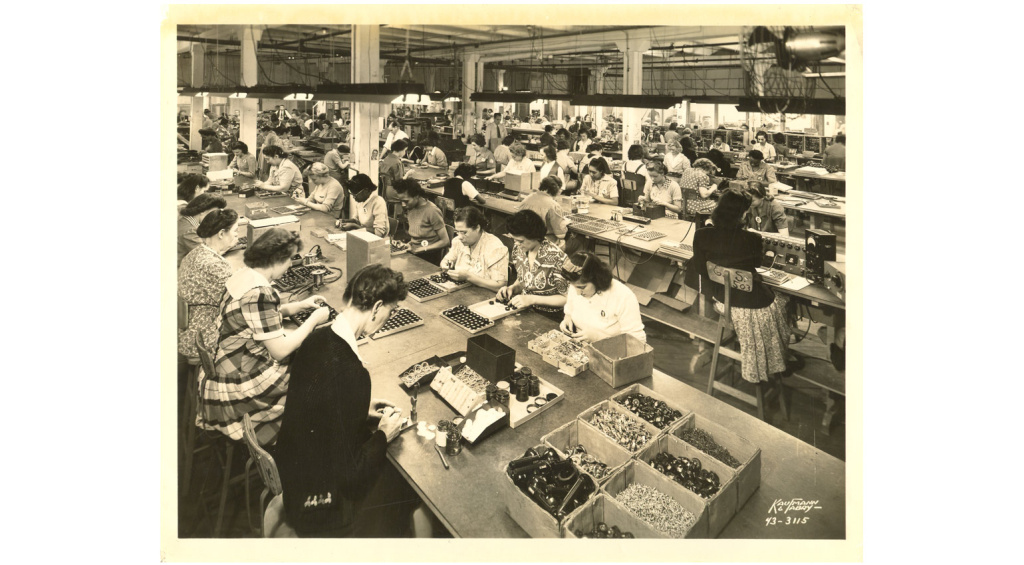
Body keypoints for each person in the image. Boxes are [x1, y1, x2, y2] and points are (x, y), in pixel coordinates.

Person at [277, 264, 431, 538]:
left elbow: (322, 412)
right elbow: (350, 473)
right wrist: (384, 434)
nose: (389, 317)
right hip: (324, 513)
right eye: (391, 311)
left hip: (296, 488)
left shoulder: (317, 338)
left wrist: (361, 410)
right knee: (411, 488)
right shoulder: (352, 373)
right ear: (377, 308)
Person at [199, 228, 331, 446]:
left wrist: (299, 306)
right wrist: (314, 319)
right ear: (277, 259)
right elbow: (280, 350)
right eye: (289, 259)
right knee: (315, 377)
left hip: (223, 368)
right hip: (240, 389)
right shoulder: (260, 292)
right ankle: (306, 436)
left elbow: (254, 317)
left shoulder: (243, 274)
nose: (290, 265)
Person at [684, 189, 791, 384]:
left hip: (723, 303)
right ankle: (778, 357)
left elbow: (700, 268)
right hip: (754, 307)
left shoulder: (701, 235)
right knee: (787, 301)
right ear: (742, 214)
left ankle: (713, 348)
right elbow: (757, 265)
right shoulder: (752, 239)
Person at [178, 208, 239, 361]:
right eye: (235, 230)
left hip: (188, 332)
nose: (237, 235)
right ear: (221, 233)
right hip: (203, 340)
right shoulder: (215, 266)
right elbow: (238, 305)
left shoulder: (195, 253)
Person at [560, 252, 646, 343]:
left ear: (596, 279)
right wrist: (567, 318)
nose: (577, 293)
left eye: (582, 287)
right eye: (574, 287)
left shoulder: (623, 296)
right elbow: (569, 311)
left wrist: (598, 337)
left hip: (612, 350)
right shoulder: (577, 285)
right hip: (581, 344)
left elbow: (637, 341)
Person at [496, 210, 569, 313]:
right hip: (525, 309)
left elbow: (568, 298)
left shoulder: (557, 258)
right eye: (514, 239)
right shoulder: (519, 251)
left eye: (520, 241)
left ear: (535, 236)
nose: (516, 244)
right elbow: (524, 281)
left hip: (551, 316)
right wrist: (512, 288)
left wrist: (532, 299)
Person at [440, 207, 509, 292]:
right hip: (463, 292)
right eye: (457, 231)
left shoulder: (495, 248)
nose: (460, 237)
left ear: (477, 228)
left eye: (464, 232)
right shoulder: (458, 241)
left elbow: (500, 286)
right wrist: (445, 264)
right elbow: (447, 259)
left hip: (484, 296)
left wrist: (468, 276)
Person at [392, 179, 450, 265]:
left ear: (417, 196)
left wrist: (421, 249)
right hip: (413, 251)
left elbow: (445, 241)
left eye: (406, 201)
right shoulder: (411, 207)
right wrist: (408, 244)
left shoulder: (432, 211)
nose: (403, 205)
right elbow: (418, 235)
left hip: (429, 256)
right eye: (401, 201)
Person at [519, 176, 568, 248]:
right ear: (558, 190)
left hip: (522, 238)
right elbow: (560, 235)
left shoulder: (527, 198)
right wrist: (564, 222)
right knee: (574, 242)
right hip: (540, 243)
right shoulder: (553, 205)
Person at [178, 194, 227, 265]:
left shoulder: (187, 221)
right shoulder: (190, 231)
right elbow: (208, 256)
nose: (214, 217)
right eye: (213, 213)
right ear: (202, 211)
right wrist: (228, 245)